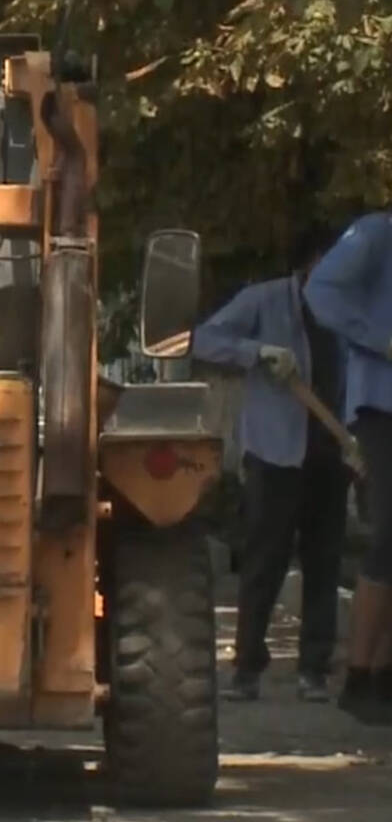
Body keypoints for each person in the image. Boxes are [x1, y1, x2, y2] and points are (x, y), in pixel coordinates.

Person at [191, 229, 350, 703]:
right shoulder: (265, 301)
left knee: (325, 564)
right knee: (264, 564)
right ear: (308, 264)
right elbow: (199, 339)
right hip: (276, 455)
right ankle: (246, 669)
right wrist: (255, 352)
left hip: (331, 455)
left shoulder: (347, 312)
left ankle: (313, 671)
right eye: (329, 263)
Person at [305, 209, 392, 724]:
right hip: (382, 407)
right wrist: (380, 339)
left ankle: (382, 676)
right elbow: (322, 294)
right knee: (389, 536)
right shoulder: (378, 234)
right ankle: (358, 677)